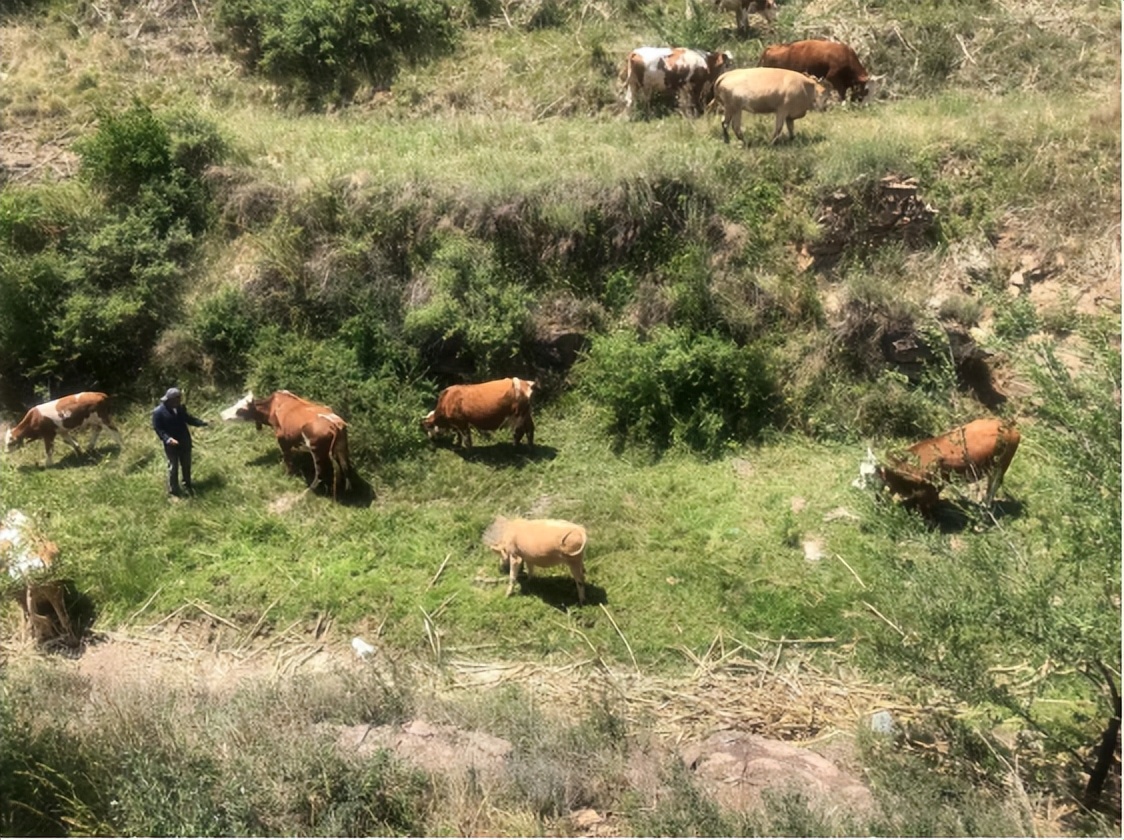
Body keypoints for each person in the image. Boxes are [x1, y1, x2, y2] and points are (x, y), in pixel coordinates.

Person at [151, 387, 208, 496]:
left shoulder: (180, 408)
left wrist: (202, 423)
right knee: (173, 467)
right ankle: (174, 491)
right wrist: (168, 439)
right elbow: (159, 429)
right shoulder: (158, 412)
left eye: (179, 399)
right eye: (177, 399)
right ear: (169, 399)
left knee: (186, 465)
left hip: (185, 441)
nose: (179, 401)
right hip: (171, 445)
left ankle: (187, 485)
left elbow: (188, 419)